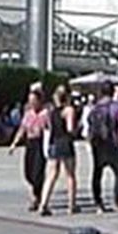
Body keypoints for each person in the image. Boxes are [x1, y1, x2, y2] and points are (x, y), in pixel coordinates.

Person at [88, 82, 118, 212]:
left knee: (97, 173)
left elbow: (89, 125)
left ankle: (98, 203)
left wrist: (90, 141)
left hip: (98, 144)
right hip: (113, 143)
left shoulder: (95, 108)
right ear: (112, 92)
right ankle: (117, 201)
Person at [37, 86, 79, 216]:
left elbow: (46, 126)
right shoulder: (68, 110)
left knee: (51, 175)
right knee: (70, 175)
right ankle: (71, 205)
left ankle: (43, 204)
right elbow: (70, 128)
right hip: (65, 142)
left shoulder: (51, 111)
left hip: (53, 142)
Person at [8, 89, 48, 211]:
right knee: (28, 172)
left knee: (38, 172)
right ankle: (37, 195)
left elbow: (50, 129)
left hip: (40, 143)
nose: (32, 104)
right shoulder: (28, 114)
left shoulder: (46, 114)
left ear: (40, 101)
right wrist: (14, 144)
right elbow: (22, 129)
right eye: (30, 101)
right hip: (30, 144)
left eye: (34, 101)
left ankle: (36, 198)